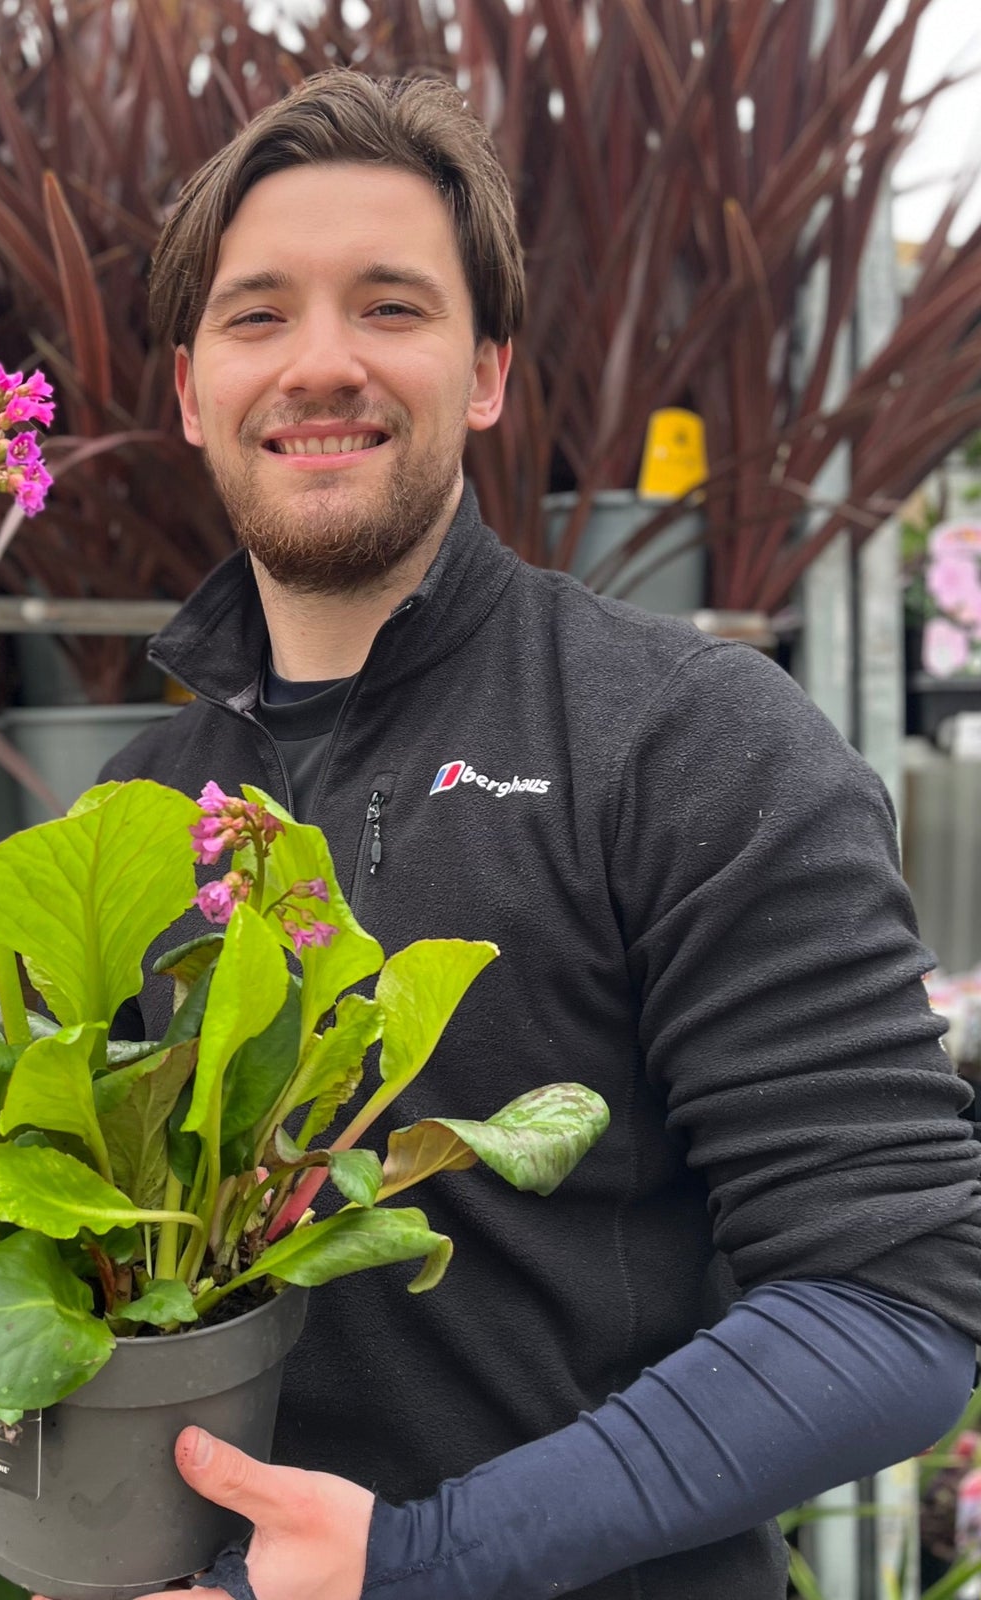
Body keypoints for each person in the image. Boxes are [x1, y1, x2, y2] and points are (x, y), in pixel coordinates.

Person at [87, 69, 981, 1600]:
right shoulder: (132, 815)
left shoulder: (688, 737)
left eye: (390, 307)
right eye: (256, 316)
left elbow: (895, 1302)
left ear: (487, 369)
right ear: (189, 389)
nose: (319, 363)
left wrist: (421, 1562)